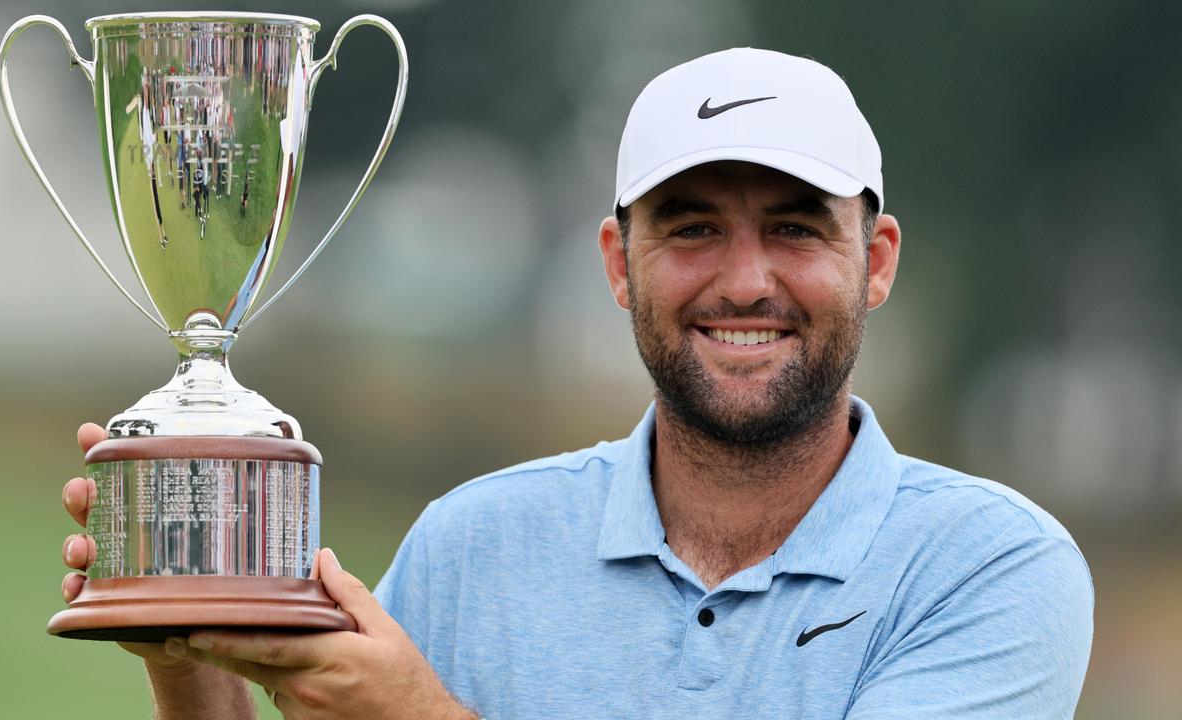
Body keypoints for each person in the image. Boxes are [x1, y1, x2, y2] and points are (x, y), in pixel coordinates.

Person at [58, 48, 1094, 719]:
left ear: (873, 261)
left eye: (792, 228)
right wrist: (189, 652)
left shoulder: (989, 570)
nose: (743, 281)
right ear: (615, 263)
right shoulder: (470, 545)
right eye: (690, 228)